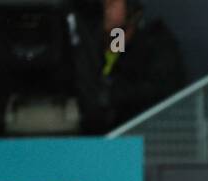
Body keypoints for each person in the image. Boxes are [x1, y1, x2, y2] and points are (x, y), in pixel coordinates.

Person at [76, 0, 185, 133]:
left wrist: (112, 95)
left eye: (111, 4)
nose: (105, 10)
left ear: (130, 7)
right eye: (103, 5)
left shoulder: (156, 42)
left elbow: (161, 90)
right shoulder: (108, 41)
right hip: (100, 136)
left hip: (145, 134)